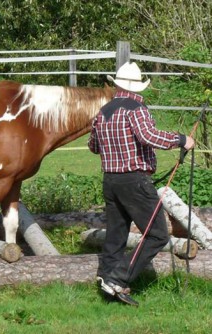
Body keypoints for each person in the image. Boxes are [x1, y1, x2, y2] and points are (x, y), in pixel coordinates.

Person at [88, 61, 195, 307]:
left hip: (111, 180)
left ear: (117, 85)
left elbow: (93, 147)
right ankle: (118, 279)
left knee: (116, 234)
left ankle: (106, 277)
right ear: (137, 87)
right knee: (157, 234)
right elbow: (148, 135)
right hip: (134, 181)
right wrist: (181, 139)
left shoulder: (103, 112)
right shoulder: (136, 108)